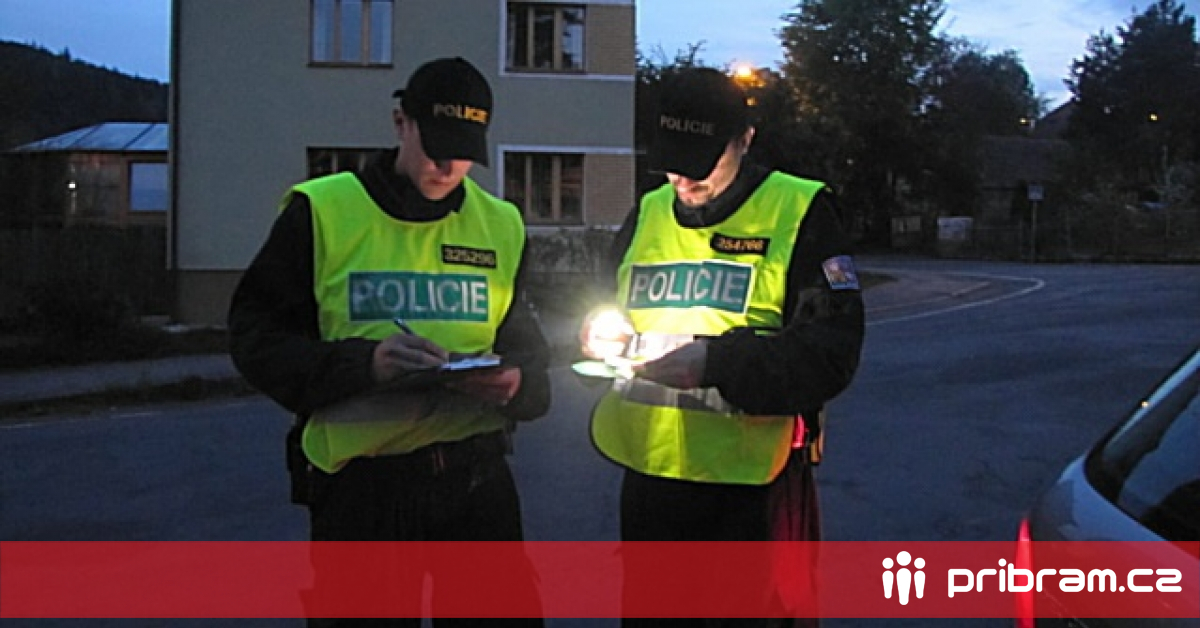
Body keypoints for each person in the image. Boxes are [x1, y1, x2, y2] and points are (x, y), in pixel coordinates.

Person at [228, 57, 550, 627]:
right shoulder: (323, 212)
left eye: (464, 152)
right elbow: (256, 338)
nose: (448, 166)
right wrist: (366, 365)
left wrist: (517, 382)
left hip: (477, 483)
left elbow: (528, 351)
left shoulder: (500, 224)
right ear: (401, 122)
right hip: (364, 494)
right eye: (436, 147)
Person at [584, 67, 865, 626]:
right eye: (672, 160)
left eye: (701, 161)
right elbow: (607, 301)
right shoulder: (648, 212)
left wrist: (716, 362)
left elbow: (831, 352)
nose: (683, 179)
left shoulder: (800, 212)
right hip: (651, 489)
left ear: (745, 140)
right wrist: (598, 329)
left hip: (752, 497)